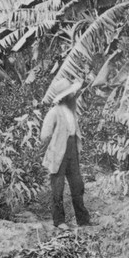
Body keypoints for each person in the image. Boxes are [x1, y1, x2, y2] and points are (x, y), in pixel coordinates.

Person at [40, 78, 91, 230]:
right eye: (70, 94)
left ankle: (83, 220)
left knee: (77, 185)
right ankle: (59, 221)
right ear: (64, 96)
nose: (73, 96)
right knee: (58, 187)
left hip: (72, 150)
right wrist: (53, 144)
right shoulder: (54, 112)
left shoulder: (71, 110)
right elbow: (44, 135)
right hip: (59, 153)